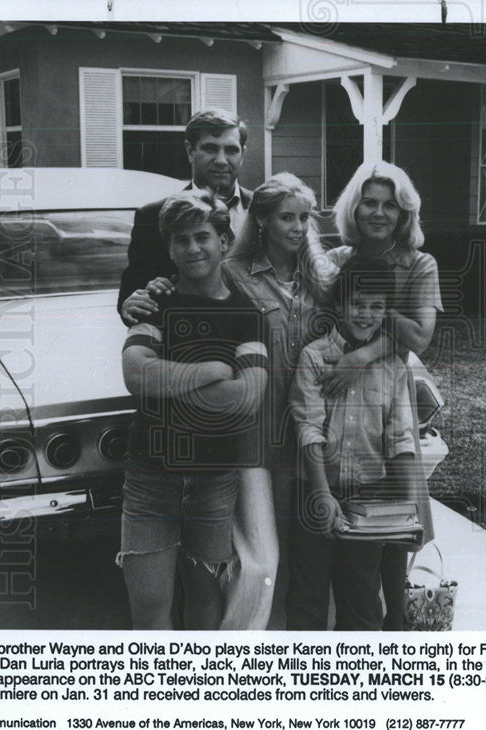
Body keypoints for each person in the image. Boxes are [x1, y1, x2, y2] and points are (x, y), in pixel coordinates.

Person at [135, 172, 337, 629]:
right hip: (251, 436)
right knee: (259, 562)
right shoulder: (232, 274)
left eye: (305, 218)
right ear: (261, 219)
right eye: (288, 217)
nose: (299, 227)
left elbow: (369, 308)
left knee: (302, 557)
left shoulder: (321, 280)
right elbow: (182, 288)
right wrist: (146, 293)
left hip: (308, 435)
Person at [118, 191, 268, 630]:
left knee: (205, 598)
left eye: (202, 236)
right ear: (168, 248)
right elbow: (135, 374)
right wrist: (212, 369)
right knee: (149, 608)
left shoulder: (247, 313)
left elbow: (245, 400)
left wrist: (168, 382)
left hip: (215, 478)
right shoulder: (153, 304)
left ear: (224, 241)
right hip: (150, 478)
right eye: (180, 240)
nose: (192, 248)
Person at [322, 161, 444, 630]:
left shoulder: (419, 263)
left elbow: (420, 337)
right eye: (369, 202)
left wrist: (362, 352)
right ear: (354, 207)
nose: (378, 213)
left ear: (403, 212)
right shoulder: (335, 260)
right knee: (341, 529)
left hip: (390, 409)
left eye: (389, 205)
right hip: (335, 406)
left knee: (394, 534)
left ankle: (392, 635)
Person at [287, 260, 417, 630]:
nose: (366, 315)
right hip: (314, 491)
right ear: (340, 306)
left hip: (369, 496)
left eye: (377, 307)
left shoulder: (392, 365)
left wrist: (408, 510)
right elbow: (308, 427)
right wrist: (322, 494)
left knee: (362, 599)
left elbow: (400, 438)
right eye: (358, 304)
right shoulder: (315, 357)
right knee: (307, 597)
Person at [118, 109, 251, 325]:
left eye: (231, 150)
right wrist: (134, 301)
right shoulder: (152, 216)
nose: (221, 160)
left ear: (242, 154)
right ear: (190, 151)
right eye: (210, 149)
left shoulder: (264, 210)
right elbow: (131, 299)